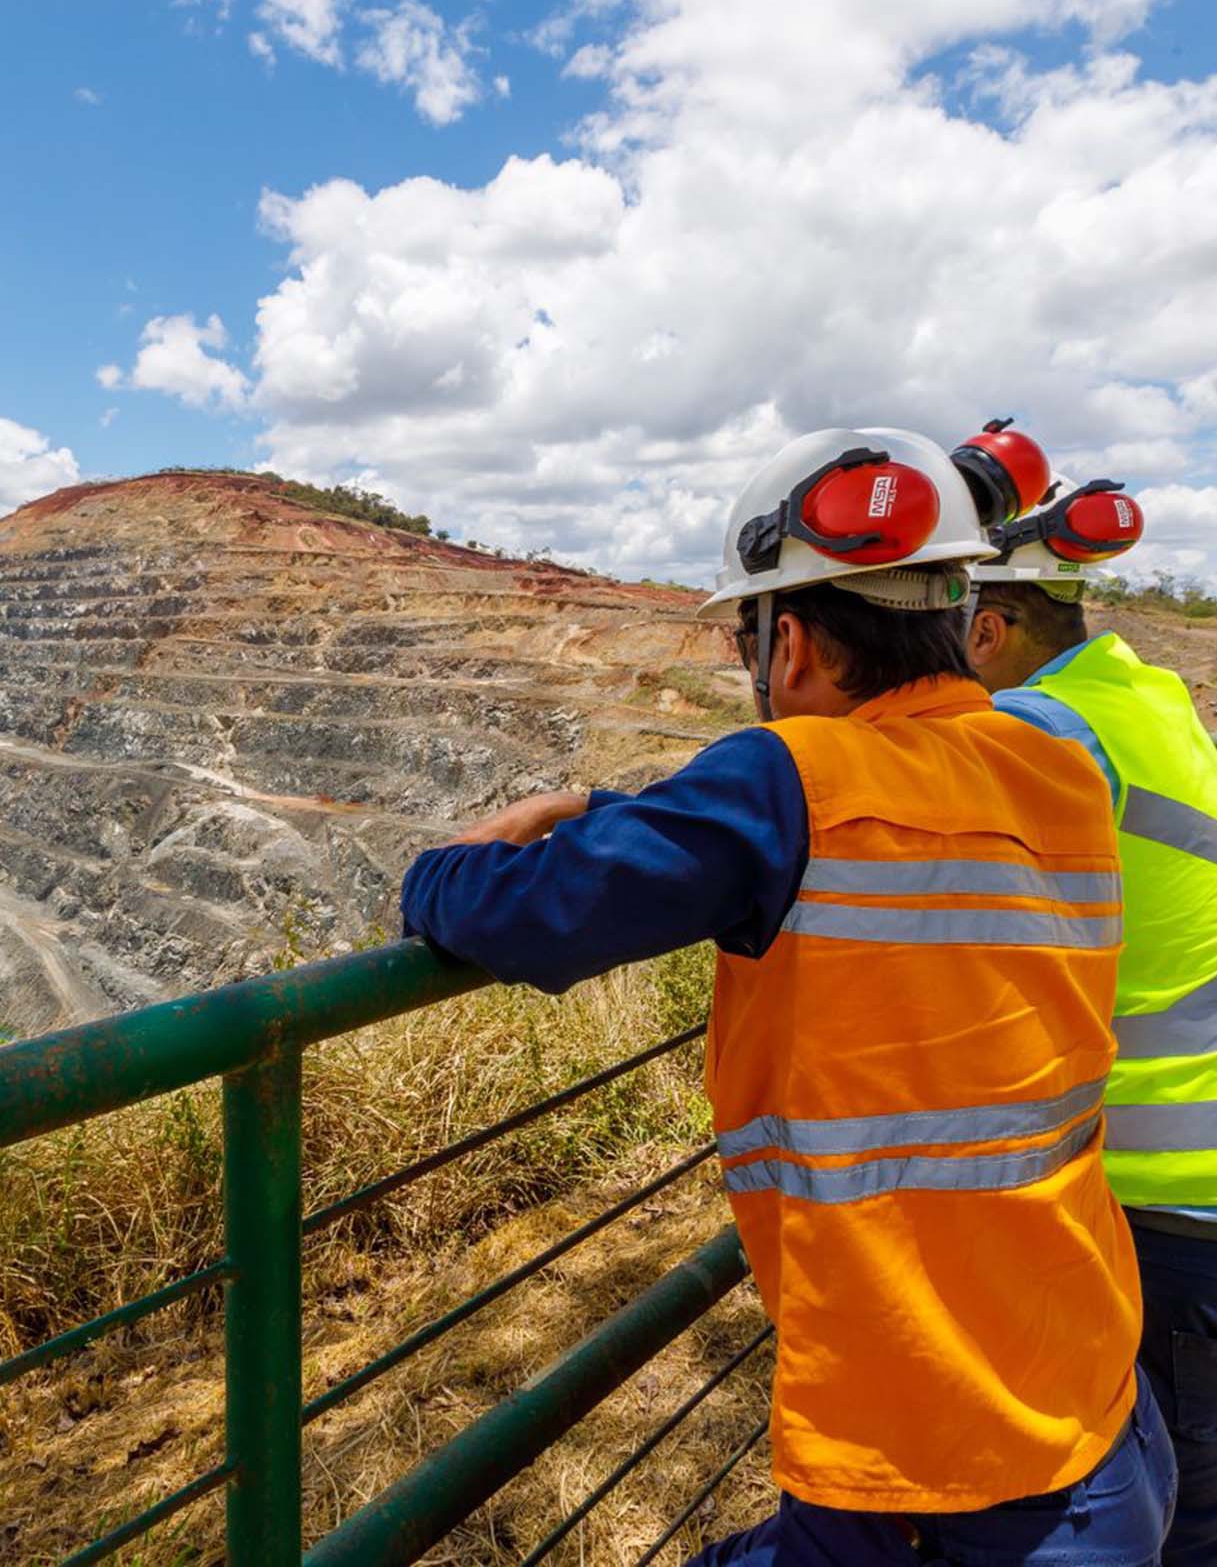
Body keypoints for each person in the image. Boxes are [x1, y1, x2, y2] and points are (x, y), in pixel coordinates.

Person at [403, 427, 1172, 1565]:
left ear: (792, 643)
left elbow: (524, 914)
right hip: (1092, 1392)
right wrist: (611, 807)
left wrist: (440, 866)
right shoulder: (1054, 768)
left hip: (945, 1471)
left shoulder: (788, 779)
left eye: (745, 643)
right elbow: (856, 820)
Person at [955, 429, 1217, 1567]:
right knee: (1195, 1507)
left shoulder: (1043, 727)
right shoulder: (1140, 697)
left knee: (1146, 1525)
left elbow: (866, 814)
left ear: (987, 630)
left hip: (1178, 1228)